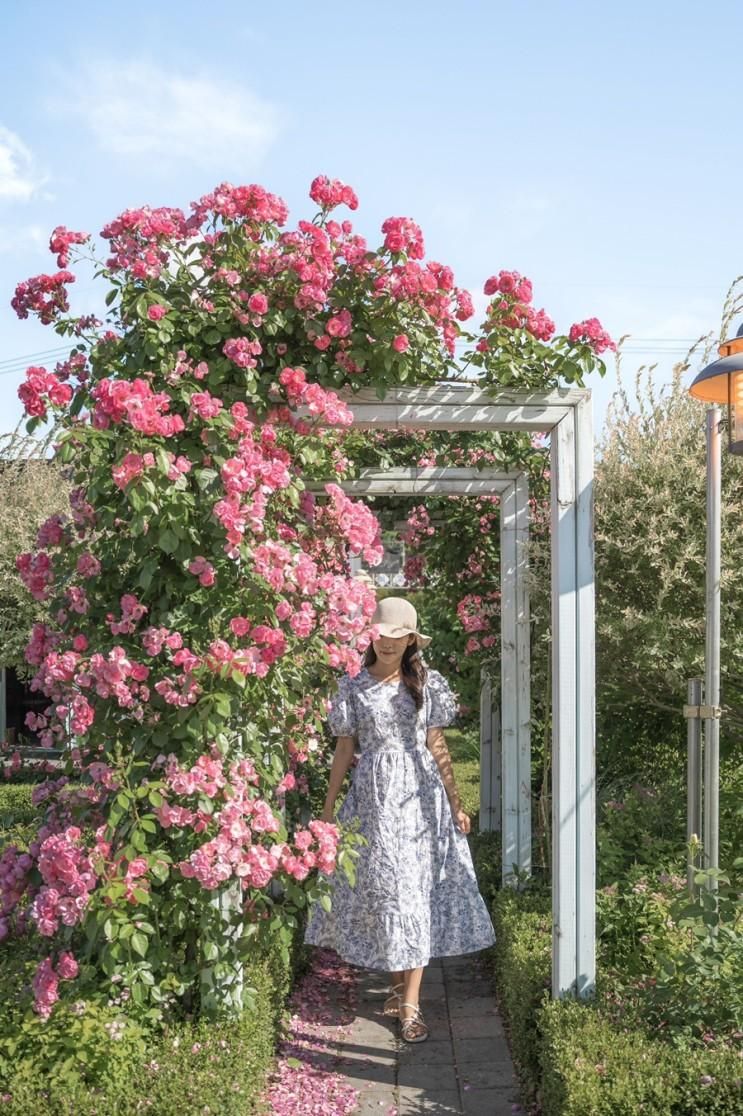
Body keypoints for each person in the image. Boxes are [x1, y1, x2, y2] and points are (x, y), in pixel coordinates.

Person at [304, 596, 496, 1043]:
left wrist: (455, 802)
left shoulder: (427, 684)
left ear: (411, 639)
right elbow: (345, 750)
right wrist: (330, 808)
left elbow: (437, 745)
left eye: (398, 637)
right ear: (372, 636)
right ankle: (397, 990)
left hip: (419, 800)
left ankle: (410, 1006)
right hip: (372, 801)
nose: (388, 644)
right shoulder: (352, 685)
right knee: (387, 895)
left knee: (411, 893)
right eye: (382, 635)